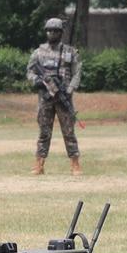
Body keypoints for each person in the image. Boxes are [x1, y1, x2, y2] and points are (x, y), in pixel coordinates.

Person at [26, 17, 82, 176]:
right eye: (49, 31)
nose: (51, 33)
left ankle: (75, 164)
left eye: (55, 31)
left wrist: (70, 89)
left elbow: (77, 72)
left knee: (69, 132)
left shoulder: (70, 52)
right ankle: (39, 164)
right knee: (44, 132)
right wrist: (37, 80)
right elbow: (30, 71)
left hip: (63, 96)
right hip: (45, 98)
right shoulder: (38, 52)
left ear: (61, 33)